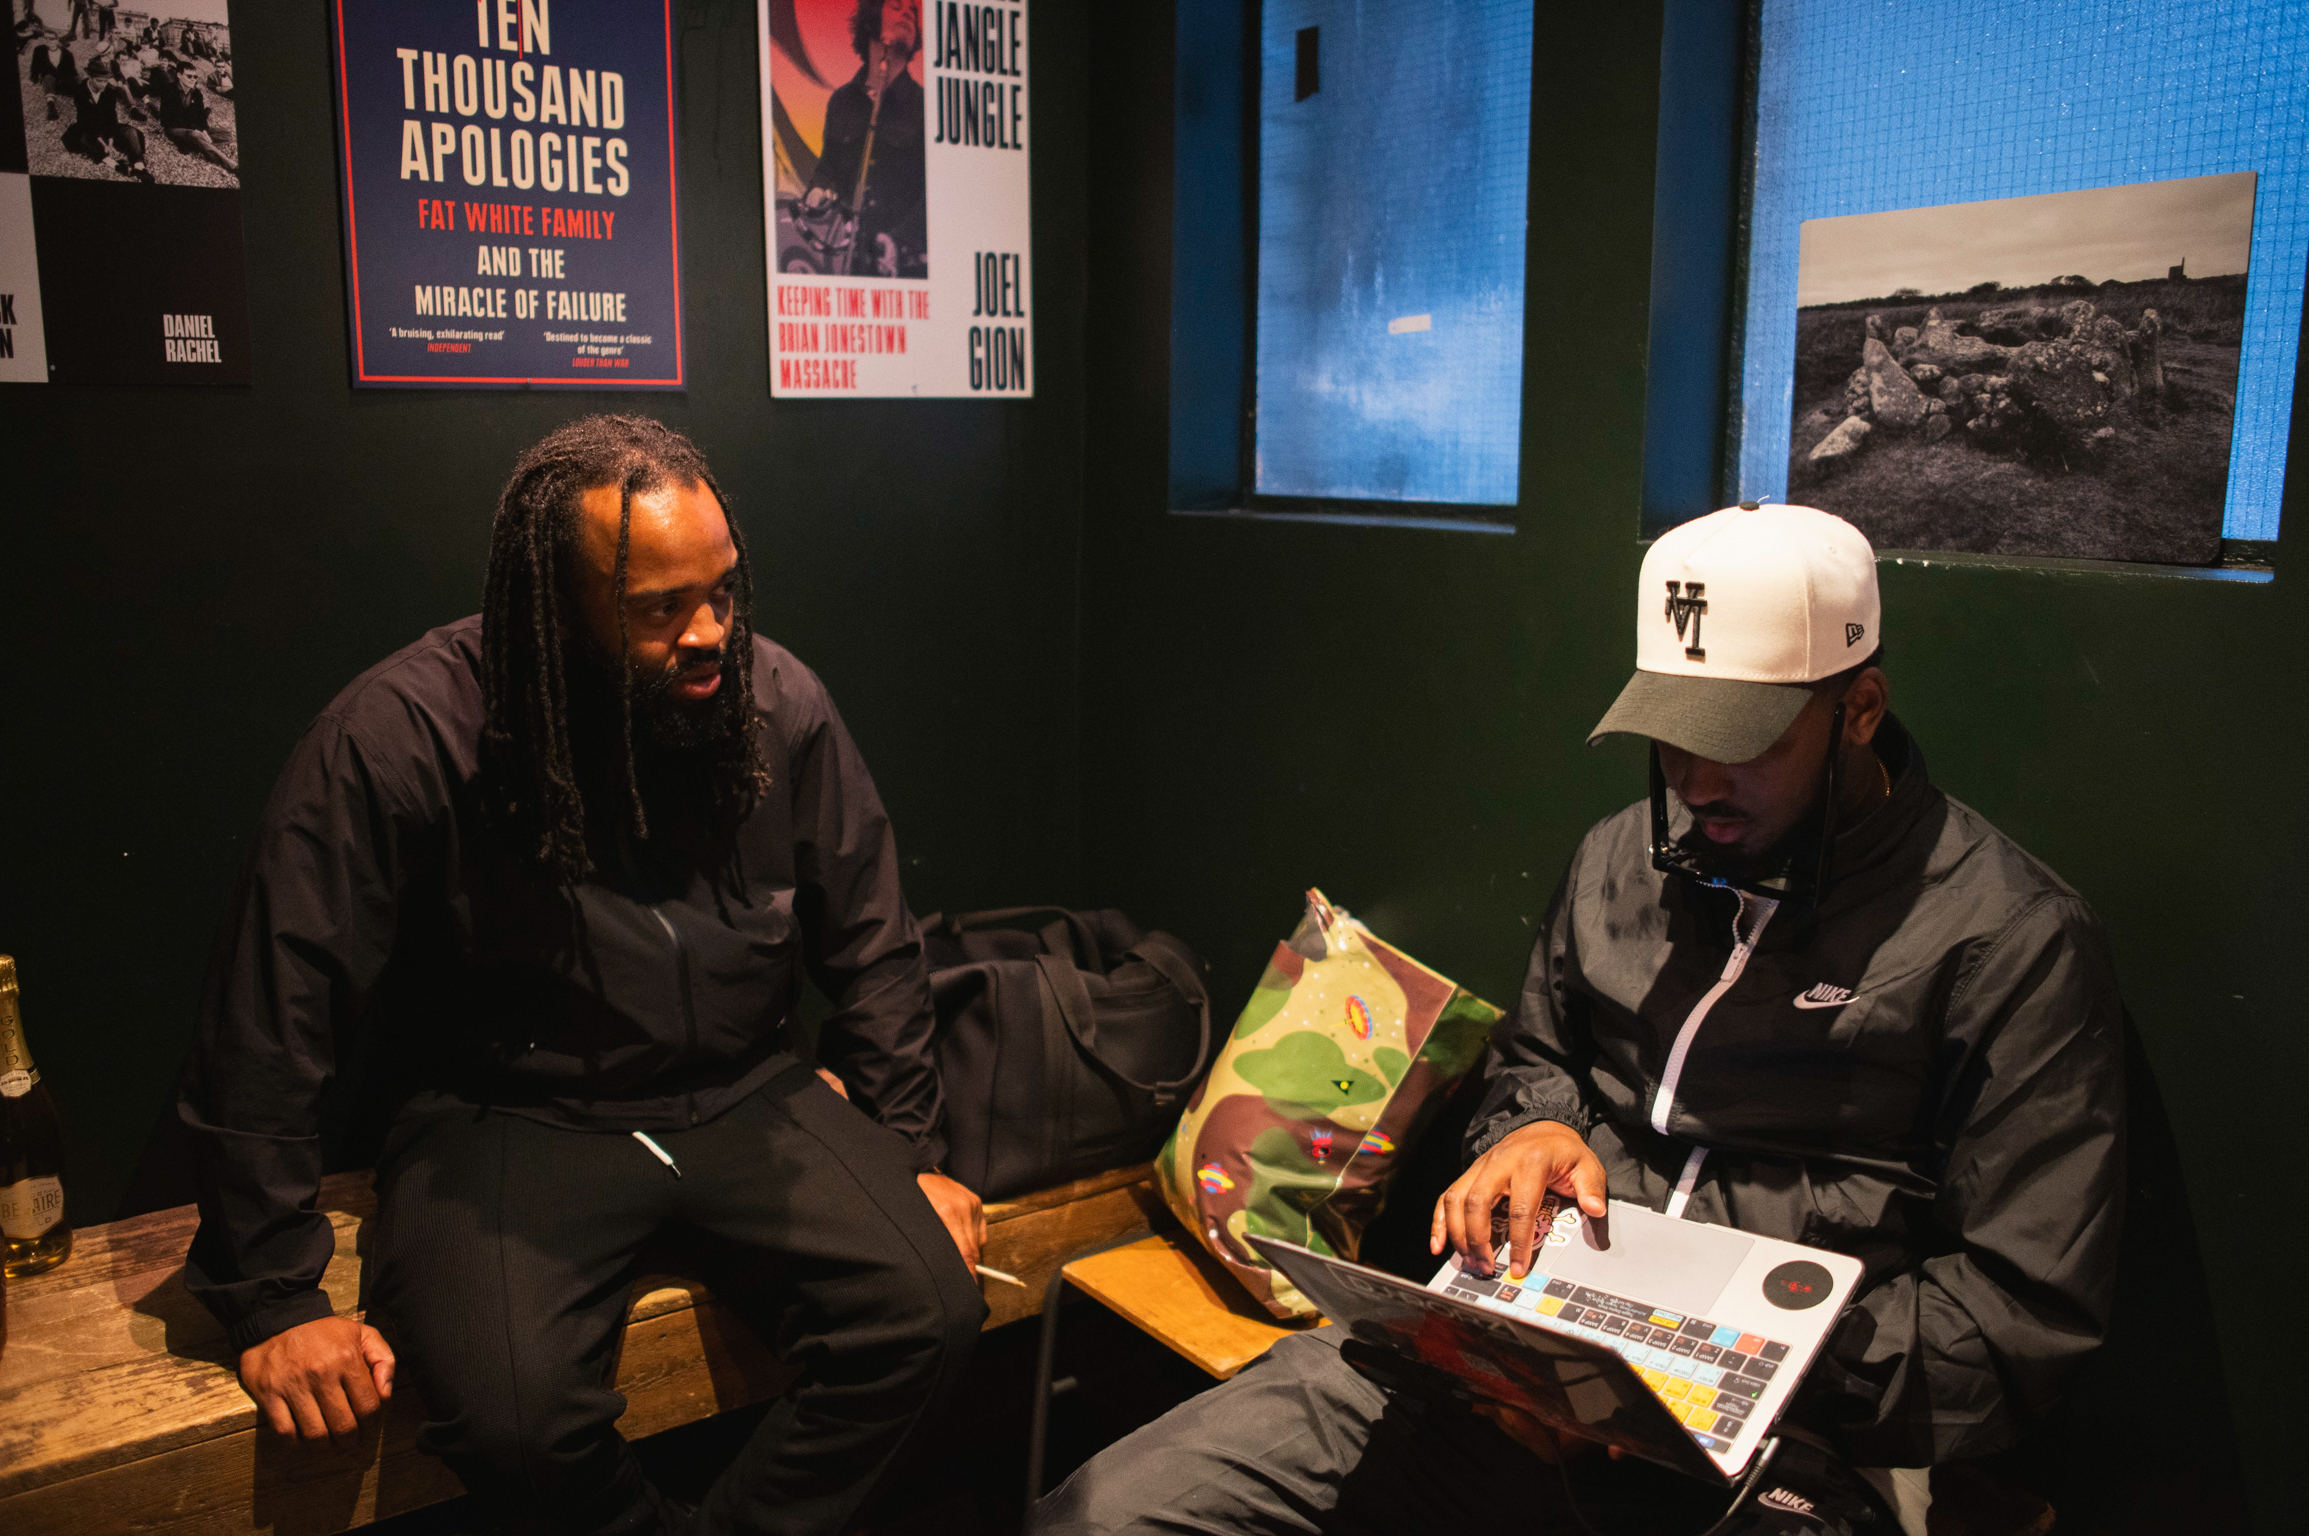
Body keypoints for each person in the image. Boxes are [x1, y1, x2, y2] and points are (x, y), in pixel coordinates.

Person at [1031, 503, 2124, 1536]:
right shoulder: (1618, 856)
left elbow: (2015, 1315)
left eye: (1741, 739)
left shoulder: (2007, 939)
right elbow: (1536, 1057)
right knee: (1111, 1511)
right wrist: (1528, 1129)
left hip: (1784, 1433)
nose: (1695, 780)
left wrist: (1713, 1372)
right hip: (1512, 1357)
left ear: (1860, 711)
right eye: (1670, 736)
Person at [180, 416, 988, 1536]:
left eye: (723, 592)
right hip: (514, 1115)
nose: (709, 633)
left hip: (744, 1094)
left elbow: (873, 936)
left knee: (930, 1314)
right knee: (515, 1416)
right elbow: (272, 1013)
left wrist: (912, 1148)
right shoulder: (403, 732)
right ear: (552, 605)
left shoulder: (774, 700)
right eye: (660, 607)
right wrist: (272, 1290)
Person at [804, 0, 927, 279]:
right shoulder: (841, 101)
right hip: (846, 266)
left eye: (913, 10)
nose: (908, 12)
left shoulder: (925, 106)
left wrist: (899, 240)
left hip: (903, 270)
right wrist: (818, 190)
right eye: (896, 5)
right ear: (872, 15)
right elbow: (828, 168)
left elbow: (936, 192)